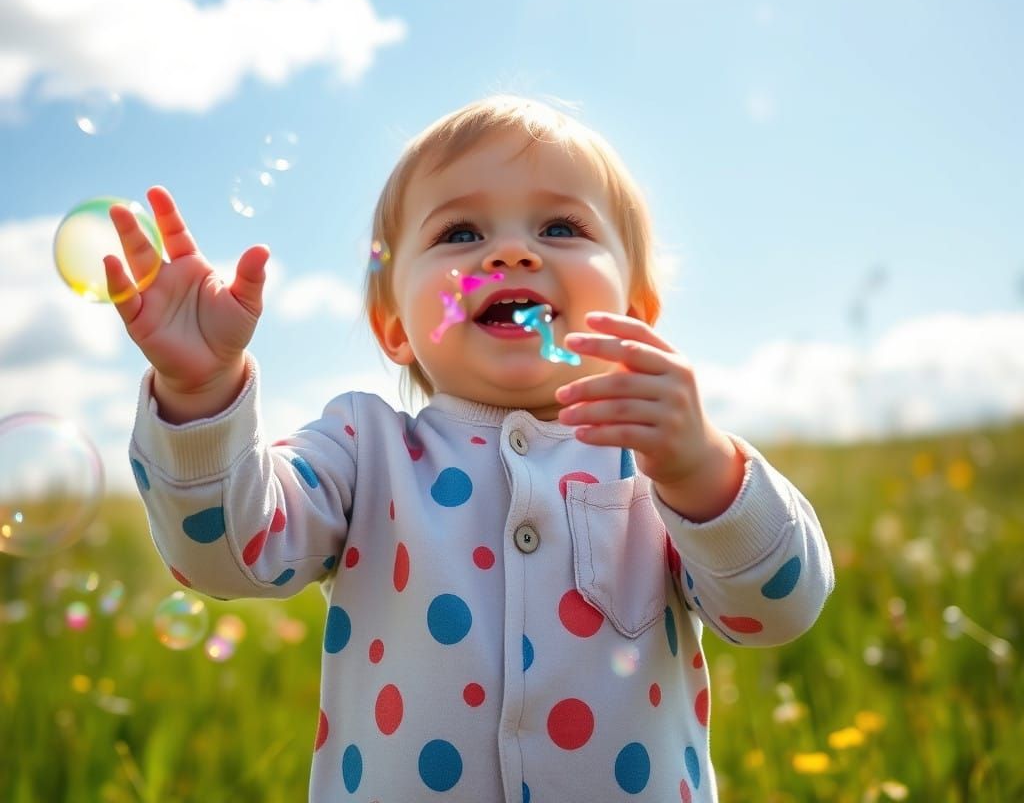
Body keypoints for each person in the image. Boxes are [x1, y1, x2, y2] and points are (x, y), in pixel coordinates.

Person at [107, 96, 833, 802]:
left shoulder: (659, 469)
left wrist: (703, 470)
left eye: (560, 226)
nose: (511, 252)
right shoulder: (362, 450)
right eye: (459, 233)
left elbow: (779, 611)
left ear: (635, 311)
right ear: (396, 327)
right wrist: (201, 392)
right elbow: (228, 554)